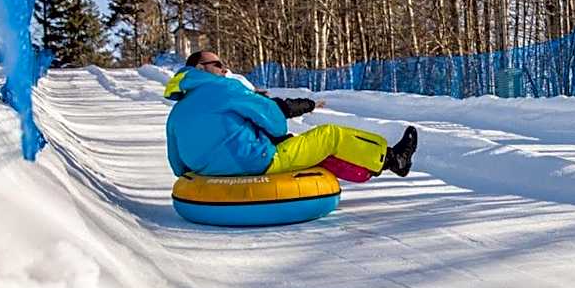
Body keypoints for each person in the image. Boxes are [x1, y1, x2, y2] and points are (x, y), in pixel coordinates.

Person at [164, 51, 417, 179]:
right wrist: (274, 134)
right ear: (200, 68)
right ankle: (395, 159)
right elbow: (274, 121)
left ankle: (369, 168)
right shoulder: (225, 87)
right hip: (254, 163)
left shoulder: (177, 111)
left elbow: (177, 166)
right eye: (218, 64)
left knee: (303, 149)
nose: (225, 68)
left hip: (207, 176)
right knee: (330, 136)